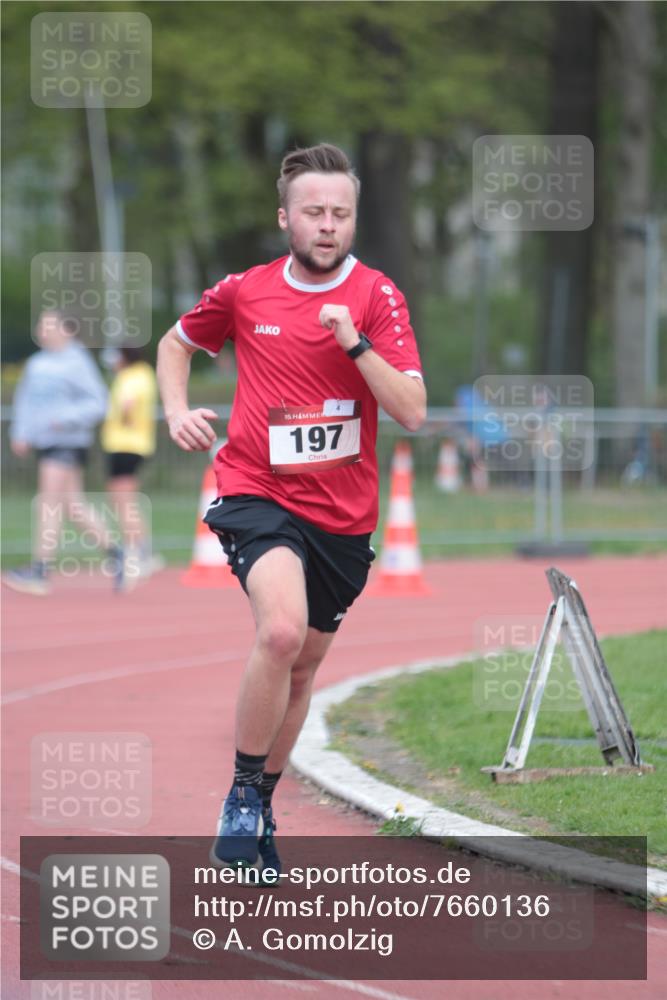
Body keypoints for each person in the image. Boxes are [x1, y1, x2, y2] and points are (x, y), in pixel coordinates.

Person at [157, 143, 426, 873]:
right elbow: (176, 344)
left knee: (303, 669)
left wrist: (356, 344)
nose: (327, 225)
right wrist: (176, 411)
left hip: (342, 515)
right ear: (285, 218)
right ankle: (241, 797)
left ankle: (263, 802)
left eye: (341, 213)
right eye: (313, 212)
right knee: (279, 634)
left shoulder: (376, 296)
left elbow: (411, 410)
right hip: (257, 490)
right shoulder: (245, 291)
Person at [4, 310, 123, 596]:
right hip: (45, 442)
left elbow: (99, 403)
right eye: (40, 325)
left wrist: (66, 419)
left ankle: (40, 569)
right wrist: (21, 433)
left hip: (68, 441)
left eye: (48, 325)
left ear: (67, 330)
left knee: (49, 502)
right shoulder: (36, 363)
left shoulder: (78, 362)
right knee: (73, 505)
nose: (42, 330)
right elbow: (25, 402)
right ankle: (118, 553)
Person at [102, 346, 163, 582]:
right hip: (129, 444)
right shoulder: (142, 375)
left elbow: (127, 404)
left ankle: (138, 552)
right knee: (123, 501)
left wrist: (125, 420)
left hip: (126, 444)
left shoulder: (133, 376)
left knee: (124, 501)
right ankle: (142, 551)